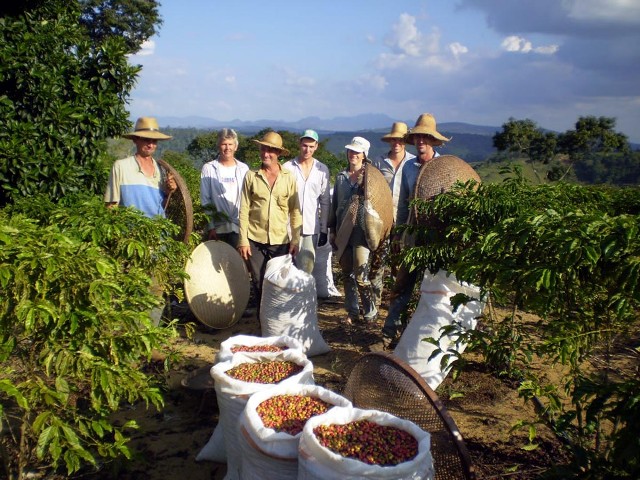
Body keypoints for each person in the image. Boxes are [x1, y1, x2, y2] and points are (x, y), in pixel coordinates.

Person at [375, 113, 451, 350]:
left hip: (437, 238)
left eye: (424, 137)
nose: (420, 141)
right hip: (412, 234)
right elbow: (404, 204)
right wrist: (399, 234)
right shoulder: (409, 167)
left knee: (434, 288)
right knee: (403, 285)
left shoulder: (444, 167)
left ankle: (430, 339)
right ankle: (389, 334)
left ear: (433, 141)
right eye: (417, 137)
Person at [237, 131, 302, 316]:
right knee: (259, 283)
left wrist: (295, 240)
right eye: (264, 149)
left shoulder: (289, 178)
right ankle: (263, 323)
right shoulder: (251, 176)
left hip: (281, 240)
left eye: (271, 151)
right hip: (255, 240)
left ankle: (279, 321)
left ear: (279, 154)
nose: (266, 154)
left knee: (279, 283)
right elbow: (243, 210)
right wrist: (243, 240)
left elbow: (295, 211)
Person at [328, 136, 379, 325]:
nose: (353, 155)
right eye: (351, 151)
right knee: (347, 274)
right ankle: (352, 311)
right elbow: (335, 206)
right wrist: (332, 229)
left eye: (357, 152)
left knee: (361, 273)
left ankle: (370, 312)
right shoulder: (341, 177)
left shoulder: (371, 178)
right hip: (343, 231)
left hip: (361, 233)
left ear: (364, 155)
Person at [370, 122, 416, 307]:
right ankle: (374, 303)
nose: (396, 143)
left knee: (400, 263)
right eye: (393, 140)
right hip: (382, 221)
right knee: (377, 262)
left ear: (405, 141)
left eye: (400, 140)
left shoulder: (412, 163)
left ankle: (396, 303)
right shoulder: (379, 162)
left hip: (404, 220)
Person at [104, 117, 176, 217]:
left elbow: (160, 206)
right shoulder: (121, 167)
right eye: (146, 140)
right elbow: (111, 205)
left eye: (154, 141)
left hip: (158, 230)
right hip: (131, 231)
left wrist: (169, 192)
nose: (151, 145)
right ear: (135, 140)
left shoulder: (161, 170)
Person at [282, 129, 331, 274]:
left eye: (311, 146)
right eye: (304, 145)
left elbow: (325, 201)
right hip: (288, 228)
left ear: (316, 146)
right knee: (288, 268)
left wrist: (323, 230)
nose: (307, 150)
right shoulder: (287, 168)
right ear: (299, 144)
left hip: (311, 227)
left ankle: (304, 296)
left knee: (306, 268)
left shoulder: (322, 170)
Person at [200, 128, 250, 248]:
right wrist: (210, 227)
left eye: (230, 144)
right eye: (224, 144)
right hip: (218, 229)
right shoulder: (209, 168)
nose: (227, 148)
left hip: (239, 229)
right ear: (218, 146)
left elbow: (248, 200)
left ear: (236, 147)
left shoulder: (244, 169)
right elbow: (205, 200)